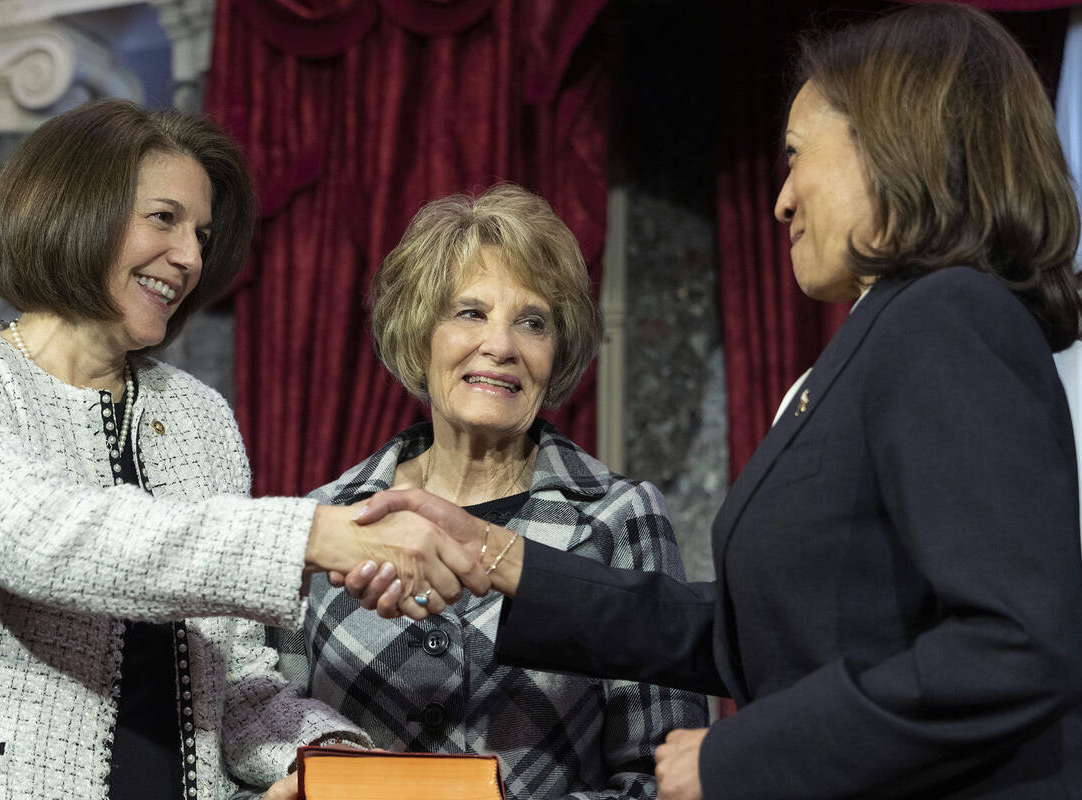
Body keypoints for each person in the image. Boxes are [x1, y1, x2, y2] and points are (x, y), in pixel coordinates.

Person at [347, 5, 1082, 798]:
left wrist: (740, 757)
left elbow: (1015, 644)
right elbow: (744, 630)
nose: (782, 200)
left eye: (798, 156)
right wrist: (503, 559)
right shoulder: (887, 337)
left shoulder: (947, 318)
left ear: (892, 146)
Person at [0, 99, 487, 800]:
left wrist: (340, 767)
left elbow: (235, 681)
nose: (191, 257)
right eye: (163, 218)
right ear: (73, 207)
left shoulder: (198, 417)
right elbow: (36, 536)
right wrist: (314, 536)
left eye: (201, 233)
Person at [269, 184, 707, 800]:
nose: (501, 347)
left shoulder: (618, 517)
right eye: (470, 313)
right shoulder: (325, 517)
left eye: (532, 323)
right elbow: (266, 739)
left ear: (557, 353)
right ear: (420, 333)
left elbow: (668, 779)